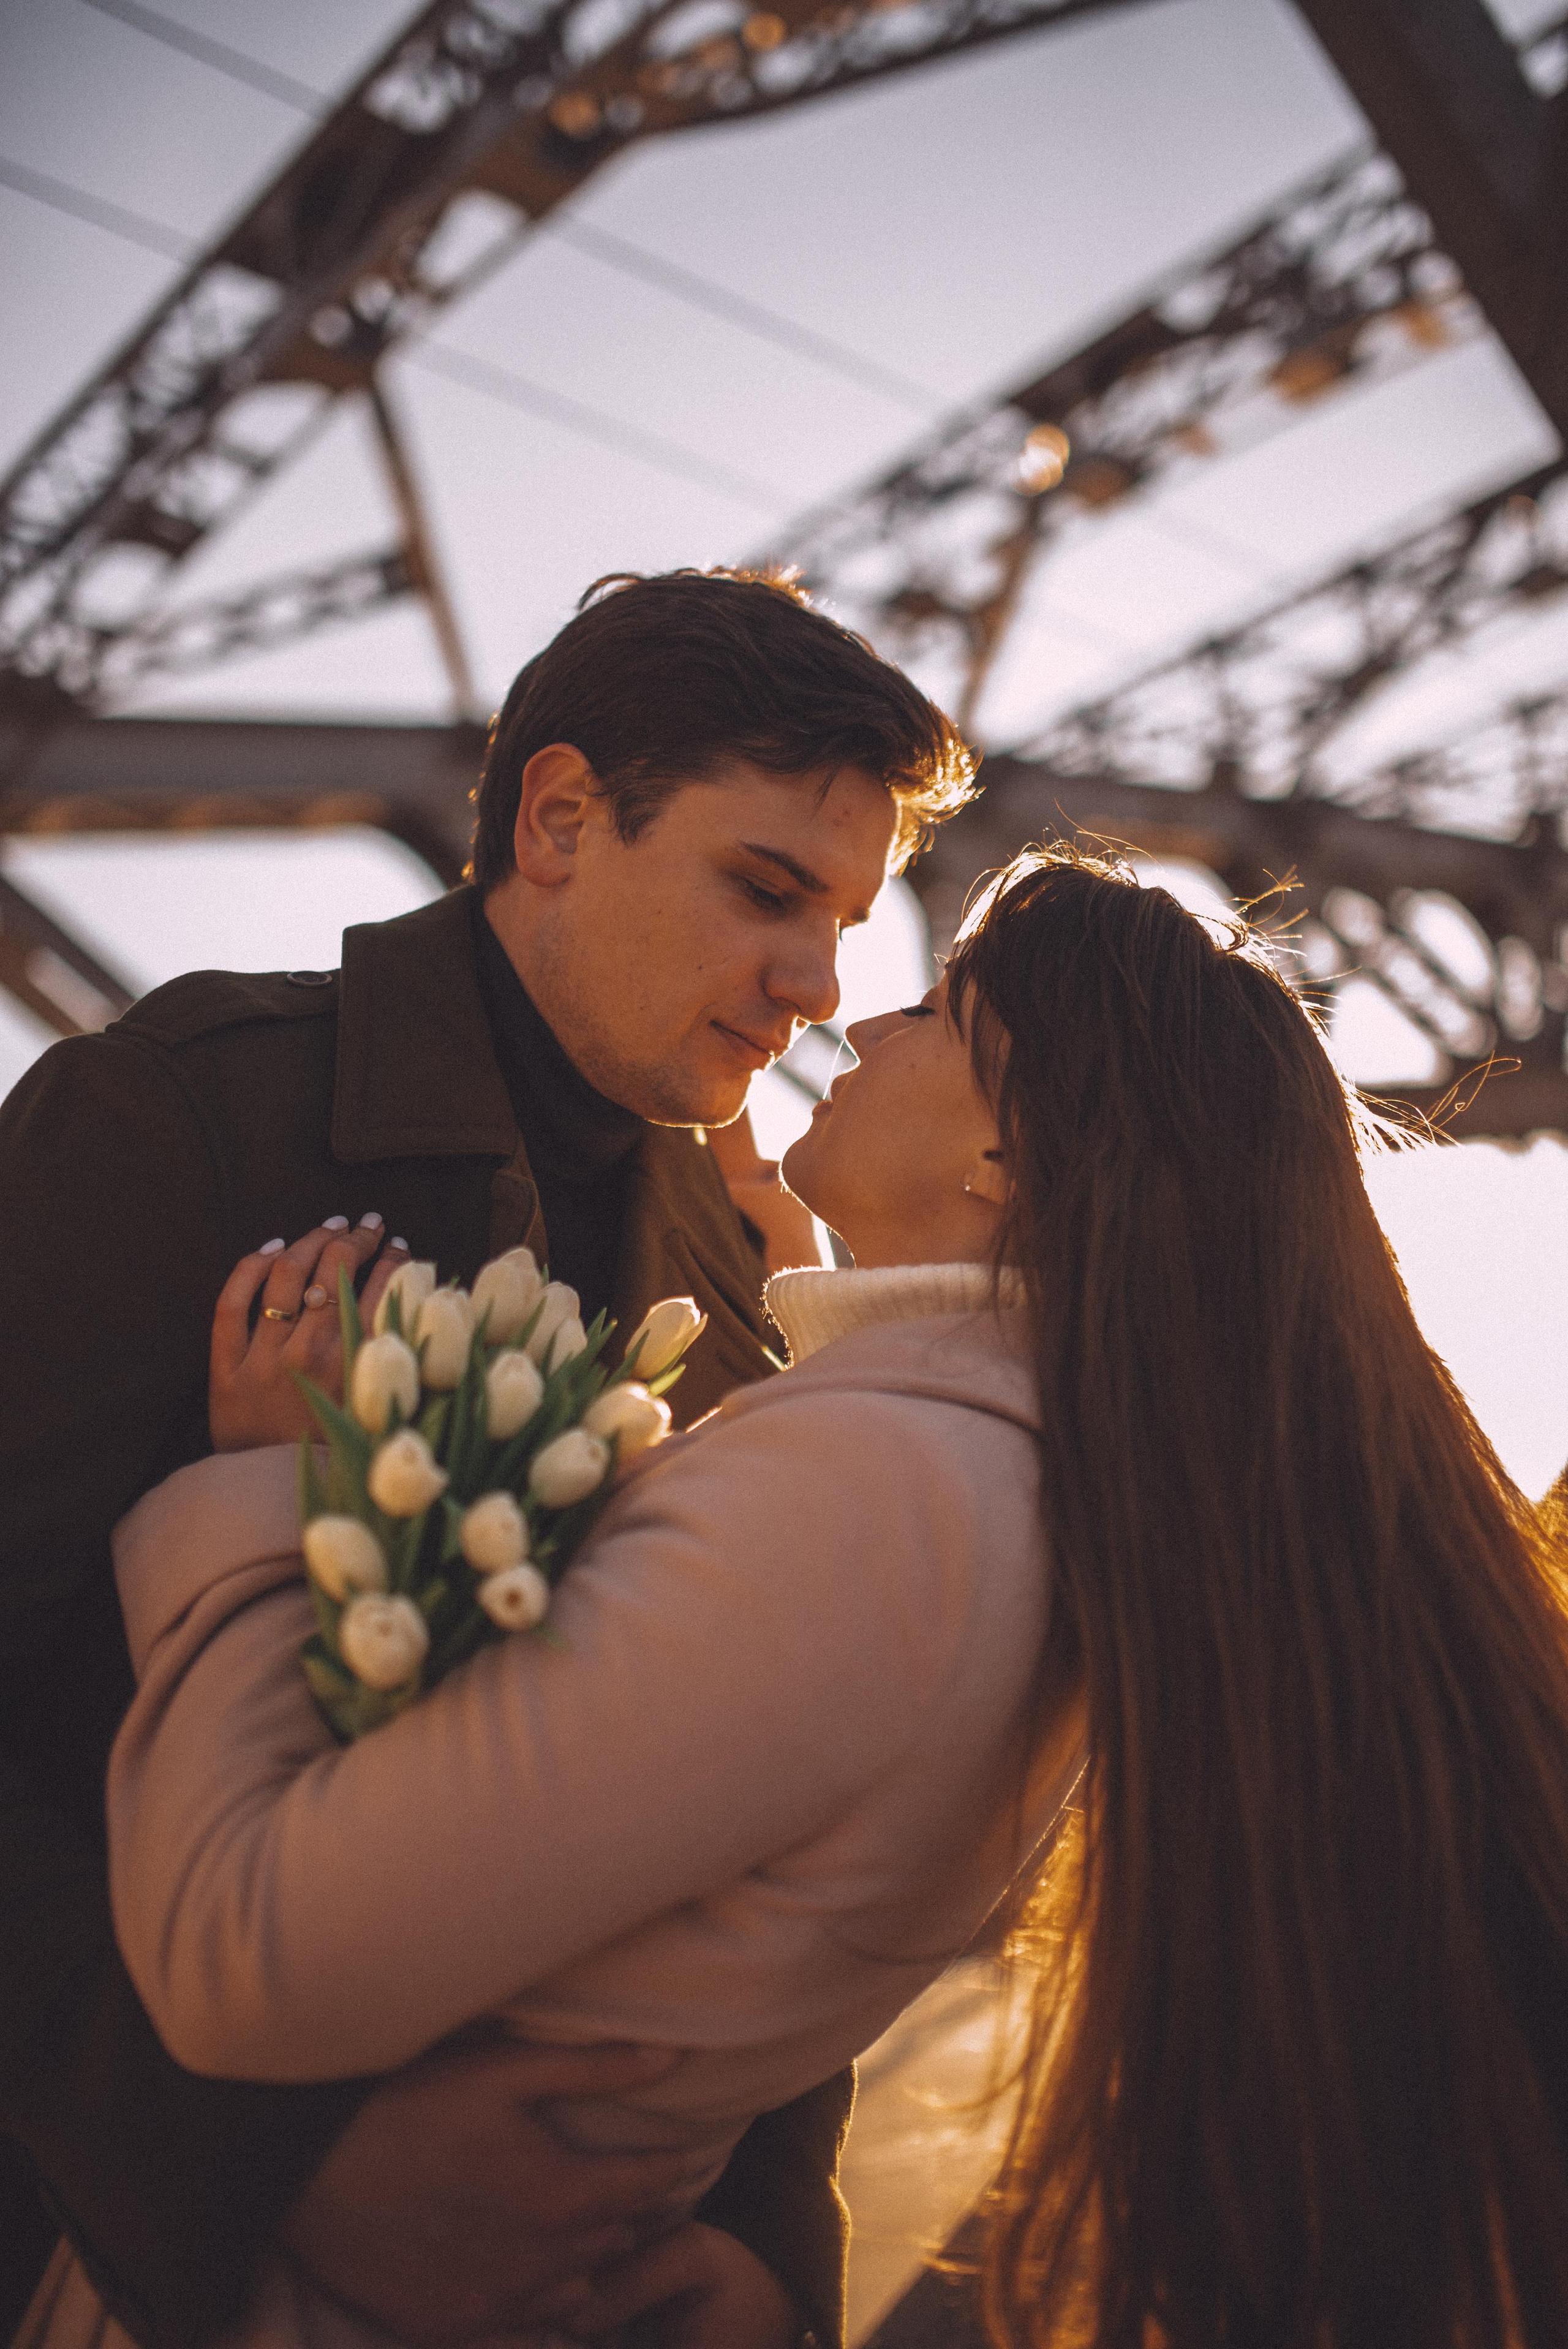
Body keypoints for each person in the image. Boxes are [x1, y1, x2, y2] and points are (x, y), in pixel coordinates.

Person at [62, 845, 1568, 2349]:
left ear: (1009, 1157)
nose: (855, 1021)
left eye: (933, 1008)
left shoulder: (884, 1493)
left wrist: (268, 1493)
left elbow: (239, 1954)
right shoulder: (1014, 1484)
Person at [0, 567, 972, 2349]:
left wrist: (767, 2264)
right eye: (769, 891)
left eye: (847, 924)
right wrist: (261, 2163)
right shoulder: (181, 1118)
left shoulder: (738, 1283)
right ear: (558, 818)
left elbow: (750, 1850)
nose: (813, 988)